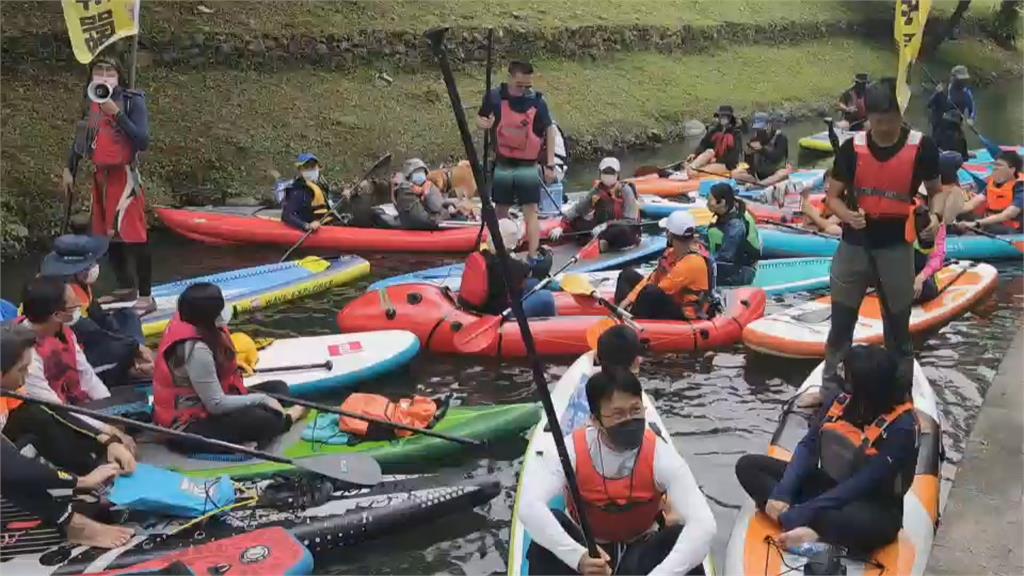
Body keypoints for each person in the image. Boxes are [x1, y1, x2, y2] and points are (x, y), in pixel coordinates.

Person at [521, 367, 715, 576]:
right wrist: (577, 557)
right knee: (551, 524)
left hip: (640, 551)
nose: (629, 420)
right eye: (618, 414)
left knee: (676, 536)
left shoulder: (662, 456)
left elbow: (704, 525)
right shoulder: (569, 451)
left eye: (635, 410)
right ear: (595, 421)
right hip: (589, 550)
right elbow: (529, 506)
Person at [817, 78, 941, 405]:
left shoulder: (922, 147)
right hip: (855, 245)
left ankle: (900, 394)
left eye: (890, 119)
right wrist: (847, 215)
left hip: (896, 246)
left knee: (898, 327)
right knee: (842, 323)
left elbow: (938, 193)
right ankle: (829, 390)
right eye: (877, 120)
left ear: (901, 115)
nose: (884, 128)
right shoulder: (851, 148)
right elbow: (833, 198)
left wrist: (937, 219)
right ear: (867, 118)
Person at [735, 345, 919, 555]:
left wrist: (805, 512)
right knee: (748, 467)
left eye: (848, 376)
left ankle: (814, 529)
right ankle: (804, 523)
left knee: (846, 519)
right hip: (827, 485)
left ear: (866, 387)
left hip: (872, 505)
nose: (842, 378)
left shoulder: (901, 428)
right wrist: (783, 493)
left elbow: (863, 483)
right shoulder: (839, 401)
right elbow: (808, 446)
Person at [1, 323, 136, 549]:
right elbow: (8, 465)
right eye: (21, 370)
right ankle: (74, 523)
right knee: (11, 471)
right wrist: (77, 482)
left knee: (35, 414)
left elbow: (49, 410)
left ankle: (93, 479)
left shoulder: (8, 386)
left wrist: (107, 440)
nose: (25, 379)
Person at [152, 283, 308, 451]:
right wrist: (262, 399)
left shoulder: (198, 323)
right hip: (187, 425)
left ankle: (265, 425)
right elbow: (216, 404)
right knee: (266, 420)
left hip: (210, 402)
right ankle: (288, 418)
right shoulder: (197, 350)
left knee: (279, 388)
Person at [60, 52, 152, 314]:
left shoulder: (132, 101)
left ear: (119, 76)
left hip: (124, 177)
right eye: (98, 72)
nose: (103, 78)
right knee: (106, 236)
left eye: (109, 73)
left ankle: (146, 296)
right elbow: (82, 138)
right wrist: (70, 167)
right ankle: (126, 288)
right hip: (99, 177)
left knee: (135, 236)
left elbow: (142, 140)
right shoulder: (90, 102)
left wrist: (118, 115)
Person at [39, 234, 153, 387]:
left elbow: (100, 317)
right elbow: (92, 333)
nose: (94, 267)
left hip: (91, 336)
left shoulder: (79, 285)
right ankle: (128, 368)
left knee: (127, 316)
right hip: (76, 347)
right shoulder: (60, 295)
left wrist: (132, 345)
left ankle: (134, 361)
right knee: (120, 347)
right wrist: (133, 347)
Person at [477, 60, 559, 265]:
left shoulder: (537, 102)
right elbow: (480, 118)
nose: (524, 90)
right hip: (503, 164)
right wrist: (483, 124)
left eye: (527, 86)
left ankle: (532, 256)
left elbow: (550, 130)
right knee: (500, 210)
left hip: (527, 166)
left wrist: (550, 164)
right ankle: (497, 254)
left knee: (530, 211)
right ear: (511, 77)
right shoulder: (494, 97)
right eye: (520, 85)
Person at [19, 276, 112, 407]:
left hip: (74, 402)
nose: (80, 305)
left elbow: (86, 376)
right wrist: (104, 427)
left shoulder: (63, 331)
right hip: (53, 415)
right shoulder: (25, 357)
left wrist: (110, 407)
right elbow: (55, 408)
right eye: (73, 305)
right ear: (57, 315)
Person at [615, 211, 718, 321]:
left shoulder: (693, 262)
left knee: (651, 292)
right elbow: (653, 278)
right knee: (627, 275)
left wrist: (634, 301)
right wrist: (628, 299)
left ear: (669, 234)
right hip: (669, 297)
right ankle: (624, 310)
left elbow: (662, 289)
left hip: (685, 311)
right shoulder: (671, 252)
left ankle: (631, 319)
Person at [457, 218, 556, 318]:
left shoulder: (481, 255)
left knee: (532, 283)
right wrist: (547, 255)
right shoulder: (512, 265)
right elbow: (540, 270)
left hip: (481, 308)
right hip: (500, 316)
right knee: (546, 298)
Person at [550, 157, 640, 252]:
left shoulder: (625, 191)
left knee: (622, 231)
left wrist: (607, 225)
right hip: (600, 227)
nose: (608, 175)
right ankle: (599, 242)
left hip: (619, 228)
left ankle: (604, 244)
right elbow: (578, 209)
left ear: (617, 175)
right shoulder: (596, 191)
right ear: (600, 173)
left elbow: (631, 221)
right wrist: (561, 225)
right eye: (605, 172)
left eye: (611, 173)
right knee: (577, 221)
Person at [706, 183, 761, 286]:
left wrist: (702, 260)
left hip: (741, 272)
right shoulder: (728, 210)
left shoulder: (736, 226)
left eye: (710, 200)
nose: (707, 204)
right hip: (730, 265)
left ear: (722, 202)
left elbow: (726, 257)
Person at [391, 158, 468, 230]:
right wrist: (447, 215)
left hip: (428, 220)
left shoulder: (426, 187)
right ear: (408, 176)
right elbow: (422, 219)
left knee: (461, 217)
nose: (421, 176)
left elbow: (438, 205)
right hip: (420, 227)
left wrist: (452, 208)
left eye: (422, 172)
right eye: (417, 172)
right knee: (459, 218)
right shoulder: (405, 191)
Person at [958, 150, 1023, 234]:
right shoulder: (993, 184)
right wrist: (949, 212)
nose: (995, 168)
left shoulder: (1020, 188)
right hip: (990, 223)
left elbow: (1007, 215)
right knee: (961, 214)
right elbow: (971, 204)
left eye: (999, 165)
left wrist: (976, 224)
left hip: (1012, 230)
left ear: (1012, 169)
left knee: (993, 229)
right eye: (995, 165)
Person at [281, 152, 336, 232]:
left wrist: (346, 193)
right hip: (313, 228)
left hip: (329, 226)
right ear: (300, 170)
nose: (311, 170)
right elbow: (286, 215)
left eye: (313, 166)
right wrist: (306, 225)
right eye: (307, 167)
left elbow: (331, 201)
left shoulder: (320, 185)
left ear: (318, 167)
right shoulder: (298, 190)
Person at [736, 112, 791, 187]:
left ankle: (758, 185)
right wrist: (748, 154)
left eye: (762, 129)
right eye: (757, 129)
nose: (759, 131)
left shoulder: (781, 138)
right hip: (759, 176)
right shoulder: (754, 140)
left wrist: (761, 149)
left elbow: (776, 157)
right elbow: (749, 165)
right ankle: (755, 184)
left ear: (769, 125)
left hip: (776, 174)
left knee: (783, 173)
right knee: (737, 172)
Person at [688, 105, 743, 173]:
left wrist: (717, 160)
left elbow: (734, 156)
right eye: (721, 116)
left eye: (725, 116)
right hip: (712, 158)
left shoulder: (736, 134)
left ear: (730, 118)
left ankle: (693, 171)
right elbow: (704, 144)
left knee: (703, 169)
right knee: (709, 151)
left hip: (726, 164)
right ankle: (691, 168)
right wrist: (695, 154)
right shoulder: (714, 130)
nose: (723, 118)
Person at [927, 65, 975, 137]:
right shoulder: (943, 89)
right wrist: (936, 93)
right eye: (960, 80)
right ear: (952, 78)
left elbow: (973, 110)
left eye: (964, 80)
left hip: (955, 130)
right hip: (939, 129)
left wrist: (971, 119)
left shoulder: (967, 93)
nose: (962, 82)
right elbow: (929, 105)